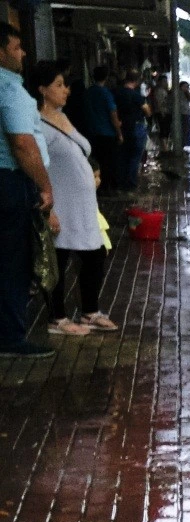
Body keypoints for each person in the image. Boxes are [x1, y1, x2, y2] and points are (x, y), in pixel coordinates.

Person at [32, 62, 113, 336]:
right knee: (59, 258)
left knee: (94, 254)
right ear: (42, 90)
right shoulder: (36, 123)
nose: (66, 89)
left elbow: (78, 153)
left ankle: (90, 311)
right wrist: (48, 209)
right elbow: (36, 165)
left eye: (65, 84)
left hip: (84, 205)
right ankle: (57, 318)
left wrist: (93, 172)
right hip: (60, 203)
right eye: (58, 85)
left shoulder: (63, 115)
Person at [0, 22, 56, 357]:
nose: (23, 53)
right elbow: (22, 144)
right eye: (17, 47)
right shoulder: (8, 89)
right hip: (10, 182)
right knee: (13, 262)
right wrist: (45, 187)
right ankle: (10, 337)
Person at [82, 67, 121, 193]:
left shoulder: (88, 92)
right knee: (109, 163)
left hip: (92, 133)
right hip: (107, 134)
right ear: (106, 77)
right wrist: (119, 133)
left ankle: (99, 188)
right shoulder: (106, 93)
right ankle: (108, 188)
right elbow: (113, 114)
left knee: (96, 161)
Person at [112, 69, 149, 191]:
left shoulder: (115, 92)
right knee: (134, 157)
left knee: (122, 156)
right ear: (137, 81)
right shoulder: (136, 95)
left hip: (120, 127)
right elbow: (147, 111)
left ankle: (120, 183)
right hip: (135, 128)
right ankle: (131, 184)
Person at [150, 75, 171, 153]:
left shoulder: (164, 90)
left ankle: (165, 147)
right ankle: (165, 148)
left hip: (165, 112)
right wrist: (162, 112)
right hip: (161, 112)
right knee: (163, 130)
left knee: (166, 130)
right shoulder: (159, 91)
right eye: (164, 81)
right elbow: (158, 103)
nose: (165, 83)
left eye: (166, 81)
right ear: (159, 82)